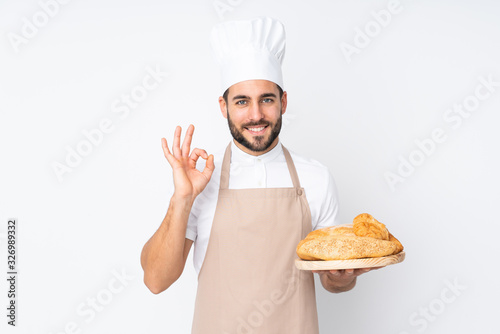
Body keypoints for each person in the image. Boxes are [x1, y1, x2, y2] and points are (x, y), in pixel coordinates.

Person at [140, 17, 376, 333]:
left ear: (284, 102)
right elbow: (156, 280)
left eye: (267, 99)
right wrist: (181, 199)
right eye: (242, 101)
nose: (256, 115)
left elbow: (333, 283)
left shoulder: (315, 179)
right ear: (223, 107)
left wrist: (340, 276)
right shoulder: (201, 185)